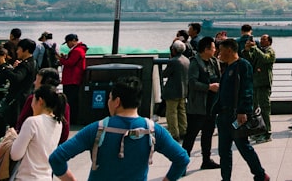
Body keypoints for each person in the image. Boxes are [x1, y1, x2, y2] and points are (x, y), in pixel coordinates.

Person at [49, 76, 189, 181]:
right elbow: (182, 159)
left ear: (117, 102)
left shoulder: (96, 129)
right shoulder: (153, 130)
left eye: (110, 98)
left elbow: (57, 158)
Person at [213, 38, 269, 181]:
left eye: (221, 50)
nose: (219, 53)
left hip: (236, 115)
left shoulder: (243, 65)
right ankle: (225, 178)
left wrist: (243, 111)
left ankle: (260, 175)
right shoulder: (226, 68)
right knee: (224, 151)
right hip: (224, 115)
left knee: (244, 147)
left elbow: (247, 89)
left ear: (229, 50)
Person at [11, 85, 66, 181]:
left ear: (40, 101)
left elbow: (15, 155)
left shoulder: (32, 122)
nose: (31, 105)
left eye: (32, 101)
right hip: (46, 177)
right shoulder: (58, 123)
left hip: (27, 177)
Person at [181, 36, 220, 170]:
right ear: (206, 49)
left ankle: (206, 160)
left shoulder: (214, 61)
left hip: (211, 105)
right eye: (213, 47)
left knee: (208, 134)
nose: (215, 50)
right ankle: (182, 164)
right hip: (198, 106)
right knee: (191, 135)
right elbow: (192, 83)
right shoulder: (195, 63)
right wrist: (209, 87)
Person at [16, 68, 70, 143]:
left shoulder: (34, 100)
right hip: (53, 147)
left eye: (37, 80)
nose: (34, 83)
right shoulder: (63, 102)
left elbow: (21, 123)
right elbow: (65, 133)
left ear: (45, 83)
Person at [242, 34, 275, 142]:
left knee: (265, 108)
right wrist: (247, 50)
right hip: (255, 83)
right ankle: (257, 129)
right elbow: (249, 60)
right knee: (254, 109)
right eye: (260, 39)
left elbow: (266, 59)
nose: (261, 41)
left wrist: (255, 48)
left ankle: (267, 132)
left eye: (264, 39)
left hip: (264, 84)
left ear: (269, 42)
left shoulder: (270, 51)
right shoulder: (258, 50)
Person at [0, 40, 38, 128]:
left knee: (15, 125)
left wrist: (6, 68)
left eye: (19, 49)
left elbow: (16, 78)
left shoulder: (25, 65)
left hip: (18, 99)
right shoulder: (33, 62)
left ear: (26, 50)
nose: (17, 51)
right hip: (28, 95)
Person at [162, 40, 189, 142]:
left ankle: (174, 134)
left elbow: (165, 74)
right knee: (182, 112)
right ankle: (183, 131)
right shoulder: (187, 60)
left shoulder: (173, 61)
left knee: (171, 113)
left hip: (172, 91)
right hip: (183, 90)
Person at [58, 34, 87, 125]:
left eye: (68, 42)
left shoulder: (77, 51)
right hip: (73, 79)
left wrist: (61, 59)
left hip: (72, 79)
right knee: (72, 100)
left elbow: (70, 63)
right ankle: (72, 119)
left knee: (71, 101)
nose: (67, 45)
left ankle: (72, 119)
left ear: (74, 40)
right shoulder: (78, 50)